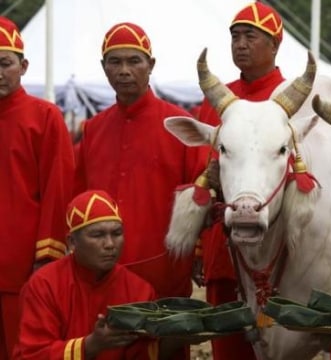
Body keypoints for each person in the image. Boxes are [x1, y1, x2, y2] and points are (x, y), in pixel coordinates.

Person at [74, 22, 208, 301]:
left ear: (151, 64)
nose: (124, 71)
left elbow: (203, 193)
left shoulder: (179, 126)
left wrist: (199, 250)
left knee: (165, 344)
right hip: (101, 272)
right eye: (115, 62)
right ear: (104, 67)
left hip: (163, 270)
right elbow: (77, 196)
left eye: (134, 61)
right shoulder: (93, 129)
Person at [194, 3, 287, 359]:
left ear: (275, 45)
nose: (240, 44)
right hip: (223, 243)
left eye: (251, 36)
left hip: (278, 253)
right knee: (227, 348)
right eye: (235, 36)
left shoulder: (292, 99)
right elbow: (201, 174)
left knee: (278, 348)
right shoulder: (217, 99)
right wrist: (201, 246)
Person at [13, 190, 182, 359]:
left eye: (116, 234)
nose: (109, 244)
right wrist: (91, 345)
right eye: (97, 235)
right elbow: (33, 354)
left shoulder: (139, 290)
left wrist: (176, 339)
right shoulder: (44, 284)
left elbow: (142, 353)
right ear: (72, 242)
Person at [0, 16, 74, 359]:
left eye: (5, 63)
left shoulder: (44, 116)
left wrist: (47, 257)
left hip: (22, 267)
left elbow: (58, 191)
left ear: (23, 65)